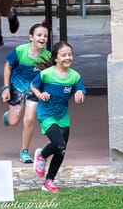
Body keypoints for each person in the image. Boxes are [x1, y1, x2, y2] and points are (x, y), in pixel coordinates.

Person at [30, 40, 86, 192]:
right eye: (64, 55)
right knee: (59, 144)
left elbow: (80, 88)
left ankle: (49, 182)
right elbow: (34, 86)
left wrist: (79, 92)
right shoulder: (46, 74)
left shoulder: (74, 76)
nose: (68, 58)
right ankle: (42, 155)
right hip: (47, 115)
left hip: (63, 117)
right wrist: (40, 95)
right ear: (55, 58)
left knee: (61, 150)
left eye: (70, 55)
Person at [1, 23, 51, 163]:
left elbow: (49, 76)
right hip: (17, 87)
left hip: (34, 90)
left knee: (29, 120)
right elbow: (8, 66)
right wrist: (5, 88)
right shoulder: (20, 51)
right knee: (13, 122)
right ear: (31, 37)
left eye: (45, 36)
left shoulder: (48, 57)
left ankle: (24, 151)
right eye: (39, 35)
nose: (42, 38)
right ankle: (8, 117)